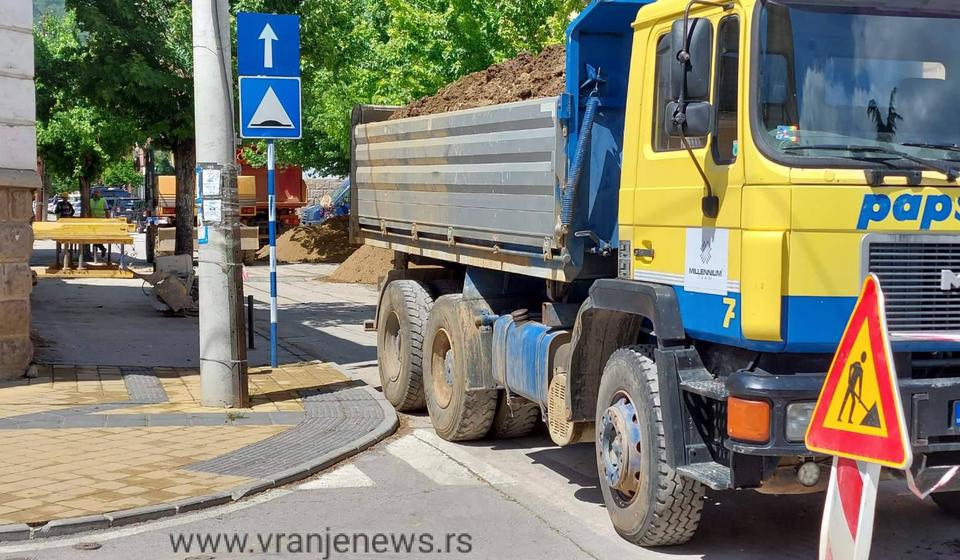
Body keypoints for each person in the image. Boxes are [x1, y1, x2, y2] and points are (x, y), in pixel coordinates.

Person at [90, 190, 110, 259]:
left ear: (99, 194)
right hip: (93, 221)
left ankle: (99, 249)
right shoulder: (91, 201)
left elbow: (107, 211)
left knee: (97, 237)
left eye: (97, 193)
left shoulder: (103, 200)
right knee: (93, 237)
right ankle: (101, 249)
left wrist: (108, 220)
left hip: (101, 221)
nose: (96, 195)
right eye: (95, 193)